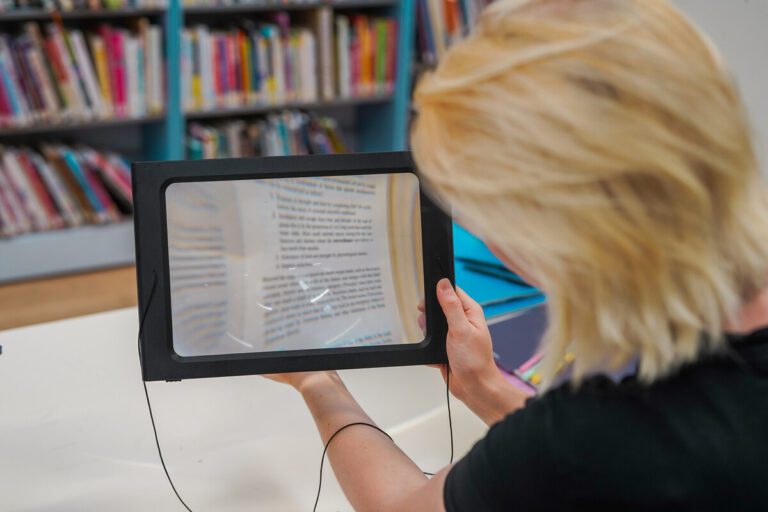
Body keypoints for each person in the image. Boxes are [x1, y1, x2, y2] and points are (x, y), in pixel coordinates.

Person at [267, 0, 768, 510]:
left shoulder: (599, 439)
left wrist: (317, 382)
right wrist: (485, 388)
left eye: (483, 215)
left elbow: (403, 506)